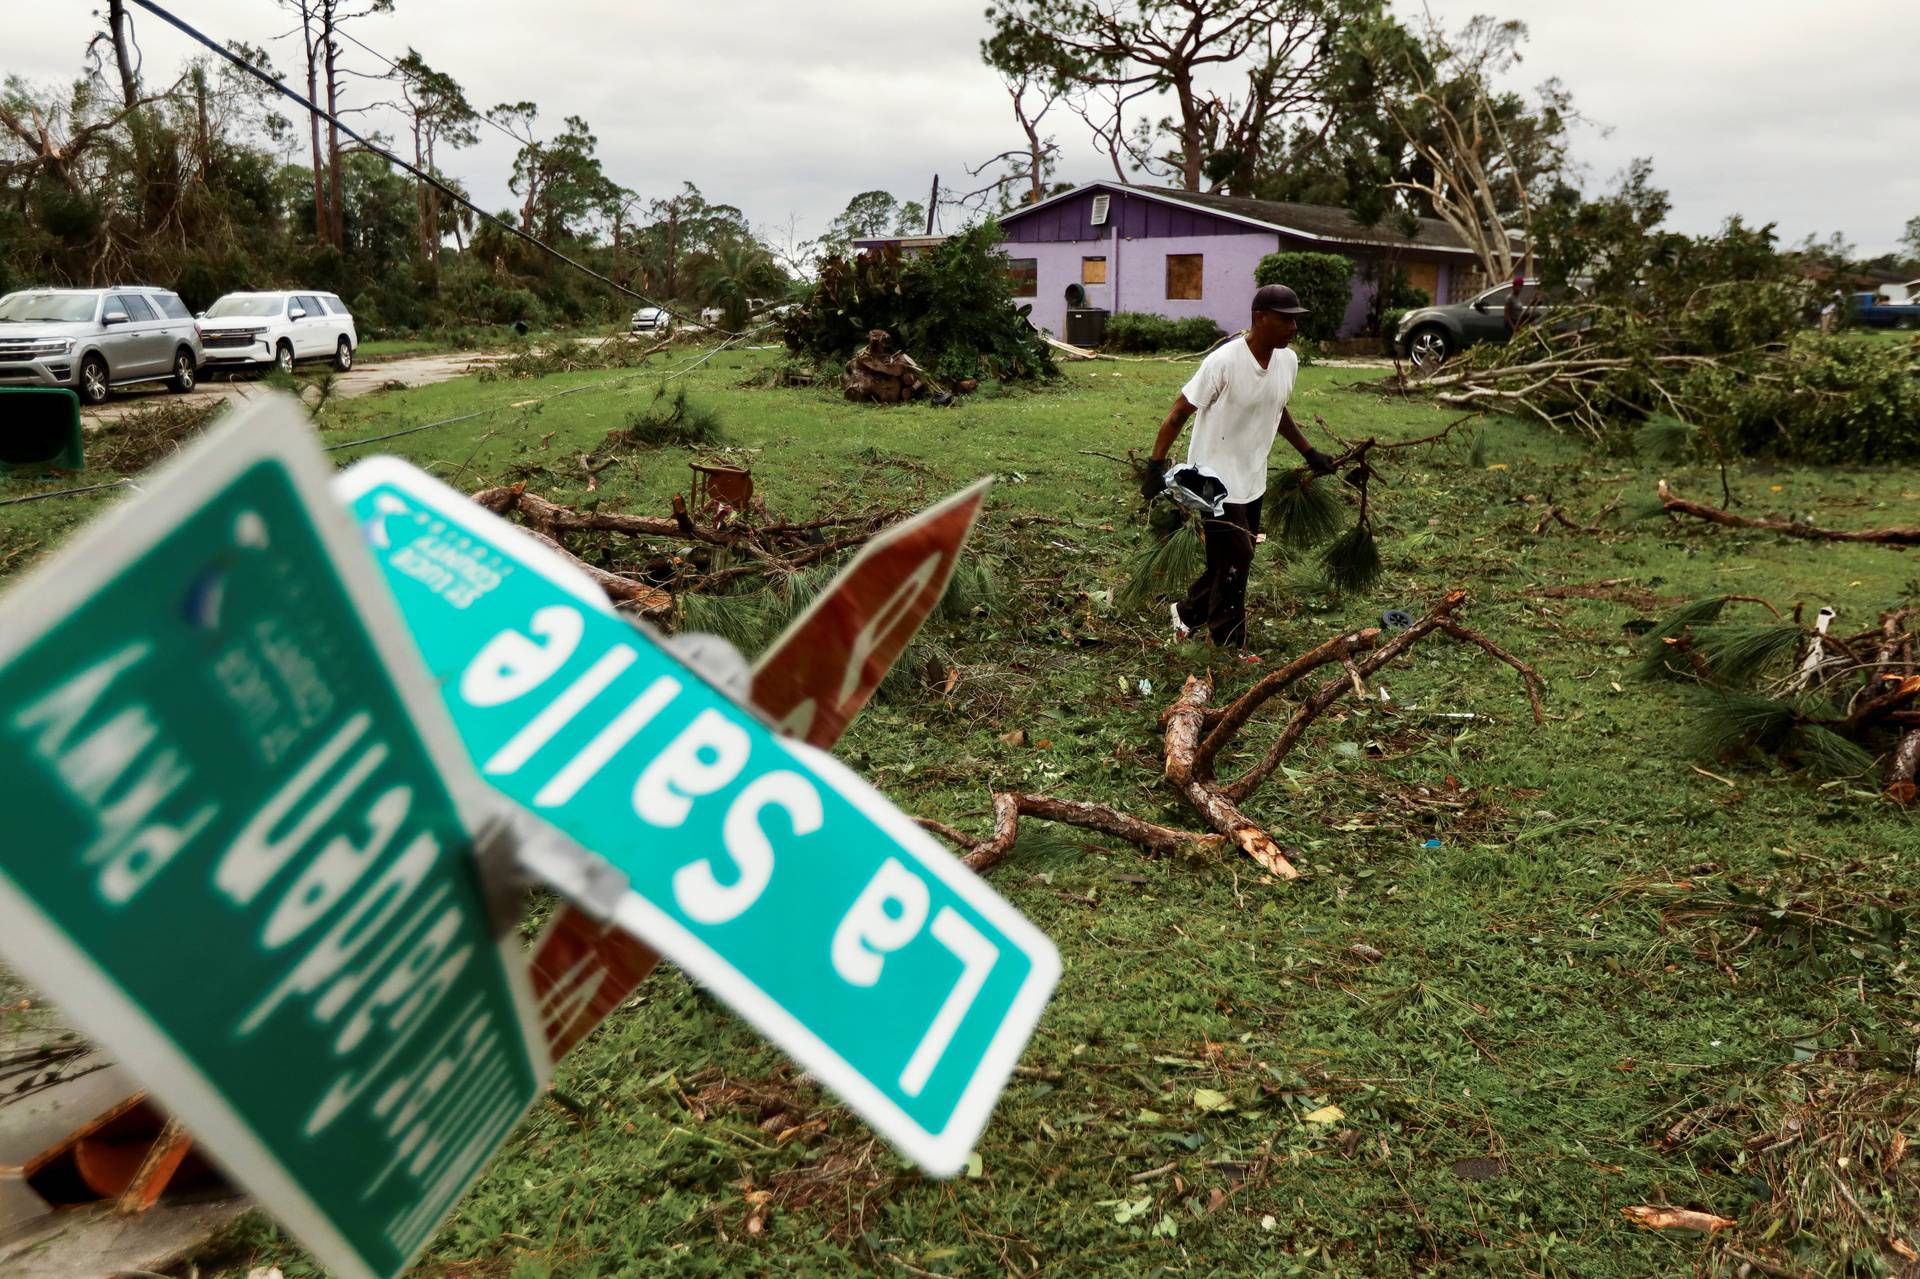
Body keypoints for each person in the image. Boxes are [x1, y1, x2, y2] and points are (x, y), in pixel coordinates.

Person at [1139, 283, 1338, 652]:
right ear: (1259, 318)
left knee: (1227, 558)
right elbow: (1180, 410)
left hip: (1252, 478)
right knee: (1239, 557)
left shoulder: (1288, 362)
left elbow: (1276, 409)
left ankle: (1187, 613)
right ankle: (1229, 641)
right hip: (1211, 482)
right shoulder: (1224, 362)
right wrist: (1155, 465)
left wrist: (1309, 452)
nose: (1293, 328)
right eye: (1285, 320)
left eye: (1296, 320)